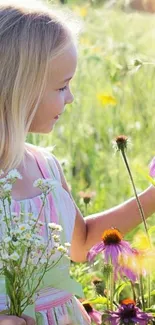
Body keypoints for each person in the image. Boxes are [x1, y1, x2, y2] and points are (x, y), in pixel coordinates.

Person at [0, 0, 155, 324]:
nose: (70, 97)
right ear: (18, 89)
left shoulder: (47, 167)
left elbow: (81, 244)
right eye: (61, 86)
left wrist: (153, 195)